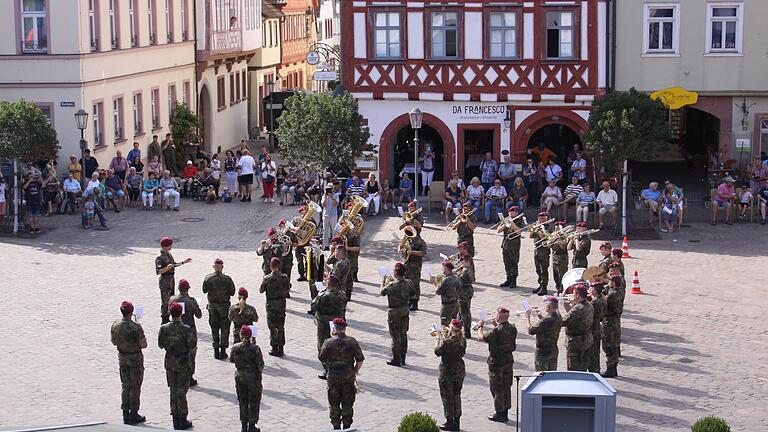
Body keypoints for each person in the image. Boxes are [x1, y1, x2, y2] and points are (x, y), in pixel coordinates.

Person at [318, 317, 365, 430]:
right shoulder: (352, 342)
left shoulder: (328, 342)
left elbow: (321, 357)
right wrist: (355, 371)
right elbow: (360, 360)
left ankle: (336, 427)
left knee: (334, 404)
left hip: (333, 377)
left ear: (334, 328)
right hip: (348, 377)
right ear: (344, 328)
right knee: (347, 403)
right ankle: (347, 426)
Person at [157, 302, 196, 430]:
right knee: (181, 392)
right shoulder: (186, 329)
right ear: (181, 314)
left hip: (170, 362)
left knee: (173, 391)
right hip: (183, 363)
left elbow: (160, 344)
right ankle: (182, 418)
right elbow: (191, 345)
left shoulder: (164, 328)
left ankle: (175, 417)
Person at [110, 301, 148, 425]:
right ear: (131, 313)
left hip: (122, 357)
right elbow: (144, 344)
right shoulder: (135, 327)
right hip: (135, 359)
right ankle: (134, 413)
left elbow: (114, 342)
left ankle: (125, 412)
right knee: (135, 386)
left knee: (125, 385)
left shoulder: (115, 325)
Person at [477, 307, 516, 423]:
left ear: (498, 317)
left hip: (497, 362)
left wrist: (480, 327)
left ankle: (499, 413)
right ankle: (505, 411)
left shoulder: (496, 331)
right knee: (506, 386)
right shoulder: (513, 328)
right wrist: (496, 325)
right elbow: (503, 334)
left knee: (497, 387)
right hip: (508, 360)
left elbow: (481, 338)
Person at [311, 275, 348, 379]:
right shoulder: (342, 295)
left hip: (324, 324)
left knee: (323, 346)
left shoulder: (323, 296)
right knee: (337, 345)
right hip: (336, 324)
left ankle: (327, 369)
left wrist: (320, 293)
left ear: (328, 284)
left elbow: (313, 306)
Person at [230, 325, 264, 432]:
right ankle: (252, 425)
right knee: (254, 401)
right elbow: (260, 365)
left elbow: (231, 360)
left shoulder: (235, 347)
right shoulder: (255, 348)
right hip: (253, 378)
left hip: (240, 377)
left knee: (243, 401)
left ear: (241, 335)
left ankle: (243, 425)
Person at [168, 279, 202, 386]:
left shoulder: (172, 299)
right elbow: (199, 315)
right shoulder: (191, 301)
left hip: (175, 329)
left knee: (177, 350)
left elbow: (168, 312)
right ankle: (190, 376)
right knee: (191, 354)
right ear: (188, 289)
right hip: (190, 330)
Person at [434, 319, 466, 432]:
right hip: (459, 370)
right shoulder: (462, 339)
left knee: (447, 396)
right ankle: (457, 420)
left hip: (447, 371)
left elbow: (437, 351)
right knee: (457, 395)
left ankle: (450, 421)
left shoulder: (447, 342)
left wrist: (438, 338)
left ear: (451, 328)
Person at [380, 262, 414, 367]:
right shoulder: (409, 282)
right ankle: (403, 357)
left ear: (396, 272)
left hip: (394, 312)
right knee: (403, 334)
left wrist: (383, 281)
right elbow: (413, 294)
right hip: (405, 309)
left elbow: (382, 292)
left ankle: (396, 358)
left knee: (395, 336)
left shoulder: (392, 285)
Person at [203, 258, 236, 359]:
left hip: (212, 306)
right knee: (225, 328)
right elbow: (232, 292)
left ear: (214, 267)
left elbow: (204, 290)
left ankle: (216, 351)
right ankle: (223, 351)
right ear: (222, 267)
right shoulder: (227, 279)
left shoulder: (208, 278)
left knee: (214, 328)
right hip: (224, 306)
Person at [155, 237, 191, 324]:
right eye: (169, 245)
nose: (171, 246)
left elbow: (173, 265)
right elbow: (158, 271)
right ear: (165, 246)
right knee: (165, 301)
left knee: (172, 299)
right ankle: (164, 320)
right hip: (165, 280)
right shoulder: (160, 258)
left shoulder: (169, 255)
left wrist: (183, 262)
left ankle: (173, 316)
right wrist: (166, 268)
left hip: (171, 279)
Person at [260, 257, 290, 357]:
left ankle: (274, 347)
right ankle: (281, 348)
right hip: (281, 303)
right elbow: (287, 288)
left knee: (272, 326)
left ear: (270, 266)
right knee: (281, 326)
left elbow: (261, 290)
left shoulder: (267, 278)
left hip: (271, 304)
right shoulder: (285, 277)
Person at [561, 283, 594, 372]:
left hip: (576, 342)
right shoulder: (589, 305)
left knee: (573, 369)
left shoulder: (576, 309)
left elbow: (563, 322)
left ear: (578, 295)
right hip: (586, 339)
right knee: (583, 366)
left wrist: (556, 311)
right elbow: (576, 318)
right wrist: (568, 306)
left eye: (574, 293)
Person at [526, 296, 563, 371]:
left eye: (545, 305)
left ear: (549, 307)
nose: (544, 307)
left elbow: (531, 330)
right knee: (552, 374)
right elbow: (547, 324)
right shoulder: (559, 316)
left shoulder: (546, 320)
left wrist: (527, 318)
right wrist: (539, 315)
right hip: (553, 348)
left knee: (541, 374)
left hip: (543, 352)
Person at [601, 275, 625, 378]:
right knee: (614, 344)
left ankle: (611, 368)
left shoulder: (613, 294)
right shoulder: (621, 290)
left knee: (609, 345)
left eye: (610, 281)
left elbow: (604, 298)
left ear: (614, 283)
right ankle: (613, 368)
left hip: (609, 321)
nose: (608, 283)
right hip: (615, 320)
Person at [403, 222, 427, 311]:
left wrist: (412, 252)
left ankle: (415, 302)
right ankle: (408, 300)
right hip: (407, 264)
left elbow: (423, 253)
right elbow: (402, 246)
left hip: (415, 266)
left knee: (415, 284)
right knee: (406, 282)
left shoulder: (421, 241)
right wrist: (400, 248)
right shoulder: (407, 239)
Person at [498, 206, 523, 288]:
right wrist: (505, 224)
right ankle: (508, 279)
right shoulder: (505, 220)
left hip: (514, 245)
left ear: (516, 213)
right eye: (511, 212)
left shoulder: (519, 220)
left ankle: (514, 280)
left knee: (514, 262)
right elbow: (498, 230)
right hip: (505, 244)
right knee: (506, 262)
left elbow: (519, 232)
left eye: (514, 212)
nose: (512, 213)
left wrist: (512, 223)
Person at [433, 260, 461, 326]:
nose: (442, 269)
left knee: (445, 326)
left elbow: (437, 291)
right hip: (455, 304)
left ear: (445, 269)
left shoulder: (446, 280)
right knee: (454, 324)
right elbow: (460, 289)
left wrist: (433, 283)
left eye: (443, 268)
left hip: (446, 306)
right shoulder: (456, 278)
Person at [587, 282, 607, 374]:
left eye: (591, 289)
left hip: (592, 327)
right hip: (598, 325)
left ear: (595, 290)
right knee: (595, 351)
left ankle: (594, 371)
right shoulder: (602, 299)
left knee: (592, 352)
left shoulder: (595, 302)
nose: (589, 290)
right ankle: (596, 370)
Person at [531, 212, 551, 295]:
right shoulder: (538, 226)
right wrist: (534, 229)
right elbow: (531, 236)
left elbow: (544, 238)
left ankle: (544, 286)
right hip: (537, 249)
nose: (540, 219)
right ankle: (540, 284)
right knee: (538, 269)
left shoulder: (548, 227)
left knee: (544, 269)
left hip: (544, 250)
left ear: (546, 218)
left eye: (542, 218)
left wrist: (539, 230)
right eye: (539, 218)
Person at [457, 255, 475, 340]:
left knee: (464, 312)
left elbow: (459, 281)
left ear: (467, 262)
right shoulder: (470, 269)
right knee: (465, 310)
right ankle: (460, 326)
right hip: (468, 291)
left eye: (463, 261)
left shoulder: (465, 271)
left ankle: (466, 331)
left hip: (463, 293)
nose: (461, 262)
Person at [550, 221, 569, 294]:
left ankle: (562, 290)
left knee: (562, 275)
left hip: (562, 259)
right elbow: (548, 245)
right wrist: (551, 239)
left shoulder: (565, 236)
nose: (556, 229)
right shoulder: (554, 235)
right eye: (556, 227)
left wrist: (558, 238)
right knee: (556, 276)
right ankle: (558, 288)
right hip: (554, 258)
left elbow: (563, 246)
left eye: (558, 227)